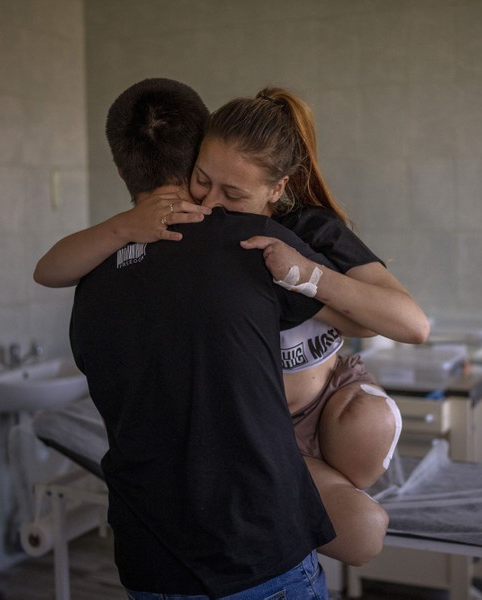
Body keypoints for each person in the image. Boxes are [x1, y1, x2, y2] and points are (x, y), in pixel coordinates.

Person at [35, 86, 430, 566]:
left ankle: (320, 487)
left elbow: (399, 324)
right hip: (262, 433)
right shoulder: (184, 231)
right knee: (360, 532)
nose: (214, 203)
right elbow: (49, 271)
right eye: (203, 179)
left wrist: (306, 277)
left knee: (367, 440)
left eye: (234, 193)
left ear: (277, 188)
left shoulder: (305, 231)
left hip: (324, 403)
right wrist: (124, 226)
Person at [63, 78, 334, 599]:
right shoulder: (254, 245)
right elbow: (375, 318)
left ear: (122, 166)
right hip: (258, 553)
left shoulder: (89, 277)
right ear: (198, 156)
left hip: (149, 561)